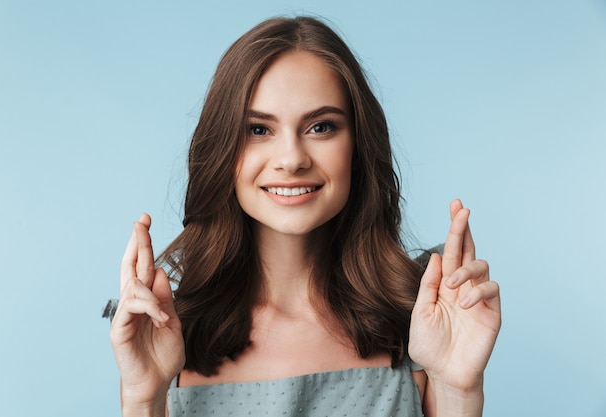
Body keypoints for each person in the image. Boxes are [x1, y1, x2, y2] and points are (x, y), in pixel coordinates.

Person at [109, 16, 501, 417]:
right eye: (259, 130)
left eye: (320, 126)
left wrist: (458, 389)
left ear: (358, 145)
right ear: (223, 149)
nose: (292, 159)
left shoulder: (417, 318)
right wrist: (143, 399)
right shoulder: (168, 332)